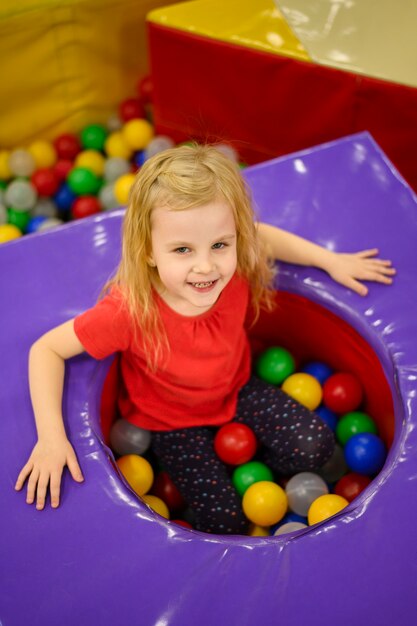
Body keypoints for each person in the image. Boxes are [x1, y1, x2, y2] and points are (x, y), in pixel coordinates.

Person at [15, 144, 395, 534]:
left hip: (236, 389)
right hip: (169, 421)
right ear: (148, 250)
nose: (205, 266)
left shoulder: (237, 262)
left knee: (317, 447)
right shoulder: (129, 310)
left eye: (219, 244)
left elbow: (263, 237)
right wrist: (51, 438)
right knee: (223, 521)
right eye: (182, 249)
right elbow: (46, 350)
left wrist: (329, 260)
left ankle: (255, 459)